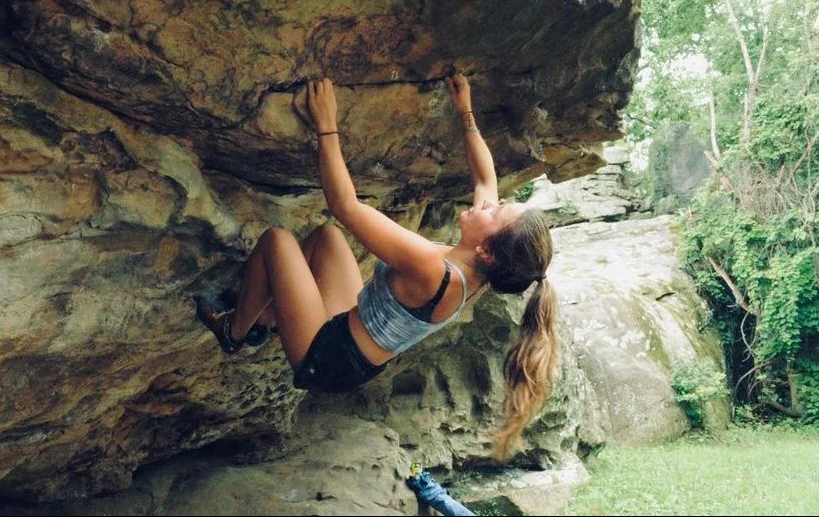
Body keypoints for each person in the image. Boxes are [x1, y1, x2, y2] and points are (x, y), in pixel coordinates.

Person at [195, 70, 559, 460]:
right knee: (326, 238)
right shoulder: (484, 266)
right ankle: (268, 320)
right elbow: (486, 177)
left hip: (328, 358)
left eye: (498, 210)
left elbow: (346, 205)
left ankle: (233, 331)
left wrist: (327, 125)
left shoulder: (435, 271)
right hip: (350, 331)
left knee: (276, 241)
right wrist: (465, 111)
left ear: (487, 251)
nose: (491, 201)